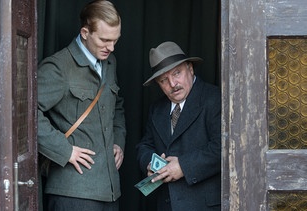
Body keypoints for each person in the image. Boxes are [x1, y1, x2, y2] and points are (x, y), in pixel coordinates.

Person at [37, 1, 126, 210]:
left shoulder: (110, 62)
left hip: (110, 190)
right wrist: (64, 150)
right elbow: (25, 116)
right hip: (72, 192)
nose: (111, 48)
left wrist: (118, 141)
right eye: (105, 40)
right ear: (85, 33)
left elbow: (118, 106)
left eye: (115, 40)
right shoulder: (58, 67)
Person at [136, 41, 221, 210]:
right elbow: (145, 145)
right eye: (164, 80)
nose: (172, 84)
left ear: (190, 68)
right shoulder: (157, 109)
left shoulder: (215, 99)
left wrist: (183, 166)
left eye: (177, 73)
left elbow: (224, 149)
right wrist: (149, 163)